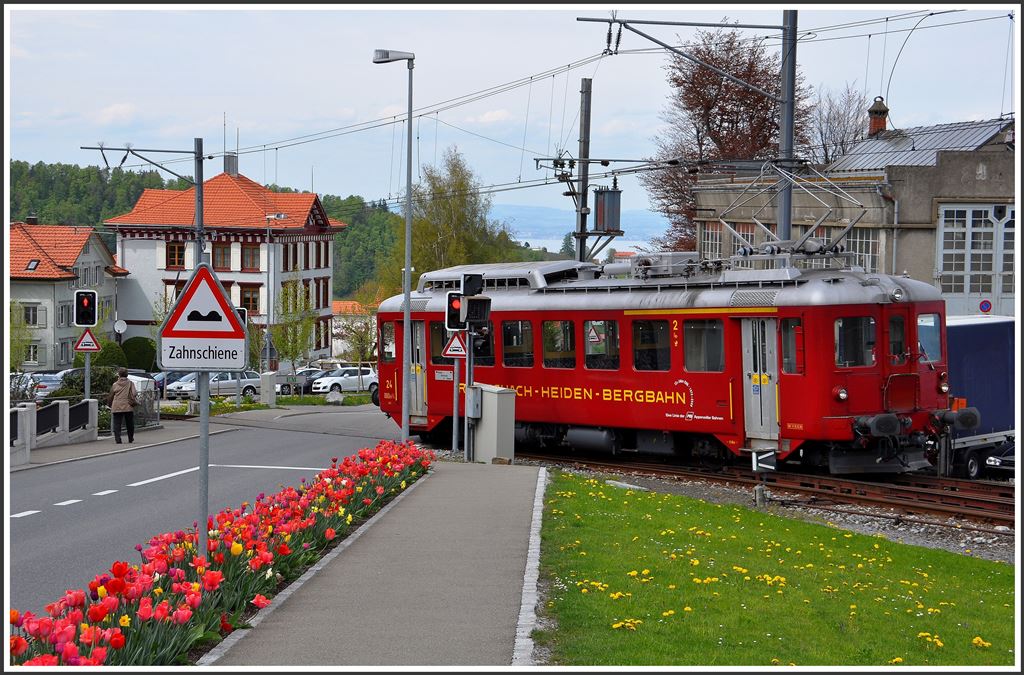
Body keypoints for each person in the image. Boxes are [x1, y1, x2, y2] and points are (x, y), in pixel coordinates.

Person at [109, 367, 138, 444]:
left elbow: (111, 395)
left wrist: (109, 404)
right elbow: (134, 393)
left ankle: (118, 439)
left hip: (117, 405)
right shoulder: (131, 383)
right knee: (129, 423)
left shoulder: (115, 384)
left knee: (117, 423)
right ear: (127, 375)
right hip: (128, 405)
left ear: (119, 375)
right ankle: (130, 438)